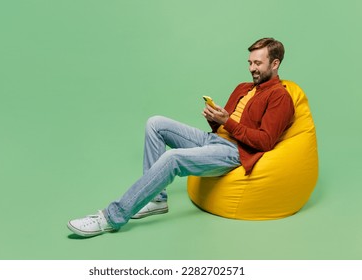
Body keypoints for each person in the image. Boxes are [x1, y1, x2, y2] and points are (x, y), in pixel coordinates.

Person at [67, 37, 295, 237]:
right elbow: (226, 126)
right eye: (249, 62)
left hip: (234, 153)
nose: (252, 68)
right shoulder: (244, 87)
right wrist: (215, 119)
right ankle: (157, 200)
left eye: (258, 63)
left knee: (173, 158)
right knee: (155, 123)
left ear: (275, 64)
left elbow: (264, 141)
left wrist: (228, 122)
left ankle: (110, 218)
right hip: (214, 140)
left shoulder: (279, 97)